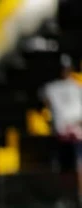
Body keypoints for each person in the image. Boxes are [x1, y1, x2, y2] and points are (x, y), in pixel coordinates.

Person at [40, 55, 82, 200]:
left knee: (79, 163)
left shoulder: (77, 87)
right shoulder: (51, 88)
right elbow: (46, 102)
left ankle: (79, 196)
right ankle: (66, 197)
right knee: (64, 168)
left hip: (78, 132)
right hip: (61, 133)